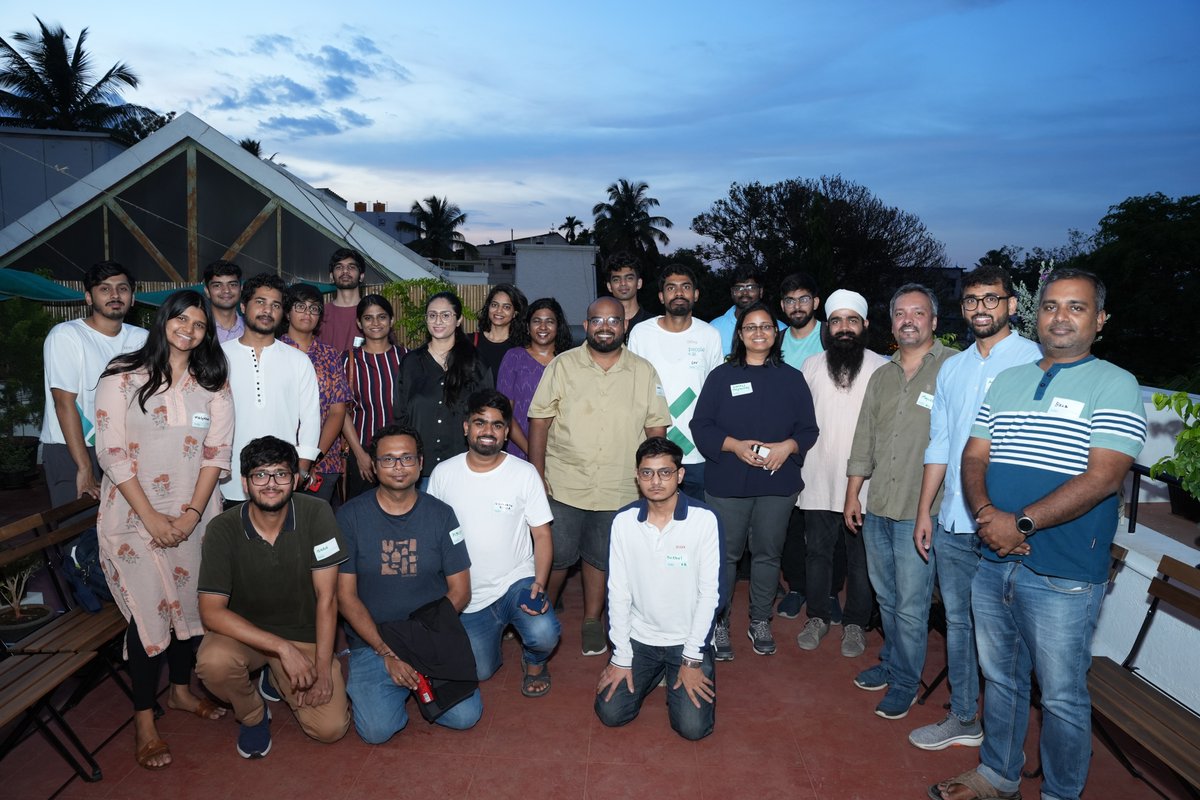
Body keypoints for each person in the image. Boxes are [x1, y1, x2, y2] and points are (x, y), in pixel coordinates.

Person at [930, 269, 1147, 800]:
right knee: (1000, 680)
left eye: (1076, 307)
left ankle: (1060, 793)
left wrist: (1018, 523)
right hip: (995, 559)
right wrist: (986, 514)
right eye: (1050, 306)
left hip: (1064, 571)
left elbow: (1104, 477)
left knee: (1061, 697)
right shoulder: (1009, 381)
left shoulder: (1115, 382)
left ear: (1100, 319)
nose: (1060, 317)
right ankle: (998, 775)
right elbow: (974, 453)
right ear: (1037, 314)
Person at [94, 290, 233, 769]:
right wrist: (151, 517)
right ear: (163, 321)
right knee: (148, 615)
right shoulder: (122, 375)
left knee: (189, 608)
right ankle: (143, 719)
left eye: (198, 324)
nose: (188, 329)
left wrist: (192, 515)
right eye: (180, 319)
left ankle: (179, 691)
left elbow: (217, 453)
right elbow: (111, 453)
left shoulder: (211, 382)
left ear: (205, 333)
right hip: (132, 519)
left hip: (194, 516)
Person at [908, 266, 1040, 751]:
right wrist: (927, 511)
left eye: (991, 298)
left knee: (1008, 638)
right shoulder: (954, 368)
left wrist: (1025, 520)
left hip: (1009, 527)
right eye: (971, 300)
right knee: (960, 627)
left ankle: (1007, 742)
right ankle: (964, 717)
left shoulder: (1036, 362)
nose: (980, 308)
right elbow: (939, 443)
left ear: (1011, 305)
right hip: (954, 524)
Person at [528, 296, 670, 657]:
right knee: (557, 556)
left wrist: (655, 483)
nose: (605, 327)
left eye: (613, 321)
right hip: (564, 482)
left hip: (620, 486)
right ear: (586, 324)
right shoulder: (562, 366)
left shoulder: (644, 371)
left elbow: (656, 432)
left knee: (600, 557)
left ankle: (592, 620)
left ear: (624, 325)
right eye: (597, 321)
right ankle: (542, 610)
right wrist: (536, 476)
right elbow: (539, 422)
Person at [196, 436, 351, 759]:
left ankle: (278, 676)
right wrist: (281, 648)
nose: (270, 484)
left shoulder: (317, 513)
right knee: (213, 663)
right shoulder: (222, 529)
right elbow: (211, 612)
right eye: (260, 475)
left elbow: (327, 599)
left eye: (280, 474)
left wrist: (323, 667)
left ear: (295, 479)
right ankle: (253, 715)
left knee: (330, 729)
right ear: (244, 482)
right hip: (247, 637)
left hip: (304, 634)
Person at [845, 284, 953, 720]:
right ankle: (892, 662)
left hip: (920, 513)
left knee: (911, 604)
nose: (909, 319)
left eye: (919, 312)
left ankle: (908, 683)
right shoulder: (882, 376)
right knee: (886, 598)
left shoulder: (952, 369)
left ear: (934, 320)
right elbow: (864, 439)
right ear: (892, 323)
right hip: (879, 508)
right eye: (901, 313)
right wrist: (853, 493)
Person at [336, 424, 482, 743]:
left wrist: (417, 644)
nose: (398, 467)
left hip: (430, 636)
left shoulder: (442, 515)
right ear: (374, 467)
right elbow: (345, 597)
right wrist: (387, 651)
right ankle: (391, 688)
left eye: (407, 458)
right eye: (388, 460)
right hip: (374, 643)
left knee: (466, 717)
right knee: (377, 731)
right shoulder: (349, 517)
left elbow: (461, 591)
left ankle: (416, 685)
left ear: (421, 463)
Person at [692, 301, 819, 659]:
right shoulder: (721, 376)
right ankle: (718, 621)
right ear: (740, 334)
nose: (759, 333)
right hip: (729, 481)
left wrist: (788, 447)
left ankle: (760, 619)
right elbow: (700, 425)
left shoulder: (791, 378)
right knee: (726, 557)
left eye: (765, 326)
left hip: (777, 482)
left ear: (774, 334)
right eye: (751, 327)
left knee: (767, 554)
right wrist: (732, 445)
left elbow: (808, 429)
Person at [429, 390, 559, 697]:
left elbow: (542, 534)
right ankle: (496, 637)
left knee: (544, 633)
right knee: (480, 671)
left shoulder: (524, 473)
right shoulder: (443, 474)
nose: (488, 431)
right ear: (466, 427)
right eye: (480, 422)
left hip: (516, 581)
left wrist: (540, 582)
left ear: (506, 432)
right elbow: (430, 536)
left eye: (497, 425)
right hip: (468, 593)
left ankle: (535, 660)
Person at [595, 437, 723, 741]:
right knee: (611, 713)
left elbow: (711, 595)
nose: (656, 481)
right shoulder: (624, 522)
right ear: (637, 477)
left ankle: (675, 670)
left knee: (692, 729)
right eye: (647, 473)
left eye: (665, 472)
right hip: (641, 639)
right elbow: (618, 592)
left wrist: (692, 659)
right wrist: (620, 656)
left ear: (680, 475)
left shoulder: (704, 520)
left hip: (687, 640)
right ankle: (655, 673)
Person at [792, 290, 888, 659]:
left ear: (865, 325)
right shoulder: (811, 367)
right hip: (817, 477)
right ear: (827, 328)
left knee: (861, 558)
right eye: (836, 321)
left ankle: (854, 623)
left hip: (865, 483)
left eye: (851, 320)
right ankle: (817, 617)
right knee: (816, 553)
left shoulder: (882, 368)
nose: (843, 328)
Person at [40, 261, 148, 507]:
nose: (114, 295)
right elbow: (63, 403)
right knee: (77, 531)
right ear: (89, 297)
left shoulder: (143, 339)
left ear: (132, 298)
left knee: (120, 530)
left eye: (122, 288)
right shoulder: (67, 335)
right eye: (104, 289)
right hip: (73, 448)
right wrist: (84, 466)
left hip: (122, 447)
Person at [219, 273, 320, 506]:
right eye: (260, 302)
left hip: (282, 478)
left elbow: (311, 417)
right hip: (229, 479)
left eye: (275, 305)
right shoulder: (219, 357)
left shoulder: (298, 360)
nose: (267, 310)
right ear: (243, 306)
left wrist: (301, 469)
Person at [627, 264, 724, 501]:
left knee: (697, 523)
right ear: (661, 296)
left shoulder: (709, 334)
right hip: (654, 450)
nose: (679, 293)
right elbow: (632, 390)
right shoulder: (641, 333)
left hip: (699, 454)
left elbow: (717, 394)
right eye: (671, 288)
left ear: (696, 294)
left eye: (686, 287)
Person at [392, 291, 493, 485]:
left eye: (446, 315)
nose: (438, 320)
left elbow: (487, 418)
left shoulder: (476, 364)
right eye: (432, 315)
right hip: (420, 473)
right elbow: (400, 417)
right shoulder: (411, 363)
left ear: (458, 320)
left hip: (464, 471)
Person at [776, 271, 825, 619]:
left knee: (826, 518)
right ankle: (796, 586)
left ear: (816, 303)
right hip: (783, 445)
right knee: (788, 519)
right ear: (782, 306)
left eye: (804, 298)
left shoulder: (829, 334)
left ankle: (828, 590)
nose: (797, 306)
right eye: (791, 300)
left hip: (824, 440)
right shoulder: (774, 339)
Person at [280, 283, 352, 503]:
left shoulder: (329, 355)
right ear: (287, 312)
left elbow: (337, 412)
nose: (307, 313)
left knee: (317, 531)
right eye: (300, 306)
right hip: (279, 460)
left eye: (314, 308)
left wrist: (312, 456)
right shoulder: (274, 350)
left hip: (324, 461)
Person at [342, 294, 406, 500]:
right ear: (359, 323)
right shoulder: (347, 361)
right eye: (368, 318)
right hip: (363, 452)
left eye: (382, 317)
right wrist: (360, 454)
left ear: (391, 320)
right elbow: (340, 412)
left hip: (401, 452)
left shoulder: (407, 358)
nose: (376, 323)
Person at [496, 298, 573, 459]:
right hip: (519, 451)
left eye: (549, 321)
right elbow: (505, 411)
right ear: (527, 326)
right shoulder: (514, 357)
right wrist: (532, 451)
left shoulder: (569, 361)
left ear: (558, 326)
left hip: (562, 455)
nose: (543, 327)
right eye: (536, 321)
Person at [473, 283, 528, 378]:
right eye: (494, 305)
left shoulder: (523, 346)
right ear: (488, 307)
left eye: (506, 307)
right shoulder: (471, 341)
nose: (499, 310)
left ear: (514, 313)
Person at [318, 247, 366, 354]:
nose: (345, 271)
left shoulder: (372, 313)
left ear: (361, 276)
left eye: (351, 267)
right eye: (339, 267)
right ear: (331, 276)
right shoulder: (319, 313)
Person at [604, 254, 653, 338]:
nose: (623, 283)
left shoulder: (653, 324)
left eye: (629, 278)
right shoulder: (603, 326)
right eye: (616, 279)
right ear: (609, 286)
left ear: (639, 283)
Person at [202, 260, 244, 343]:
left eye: (232, 285)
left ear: (240, 289)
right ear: (207, 291)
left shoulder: (252, 329)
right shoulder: (198, 328)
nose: (226, 290)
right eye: (217, 285)